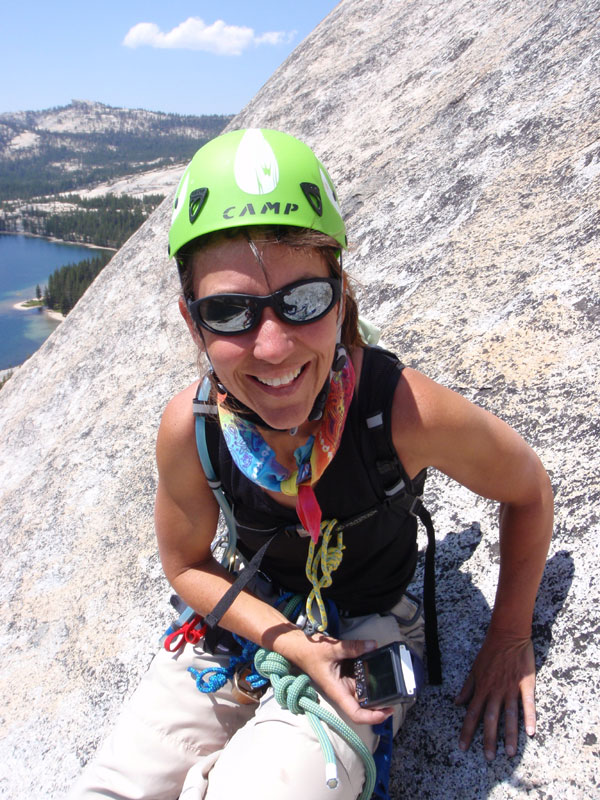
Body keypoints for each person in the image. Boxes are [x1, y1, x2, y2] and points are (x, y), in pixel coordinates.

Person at [70, 129, 553, 800]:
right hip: (245, 623)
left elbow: (528, 489)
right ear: (193, 322)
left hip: (367, 628)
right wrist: (292, 645)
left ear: (340, 295)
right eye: (229, 312)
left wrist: (508, 637)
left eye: (302, 302)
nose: (271, 347)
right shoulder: (195, 428)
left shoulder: (402, 413)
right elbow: (185, 564)